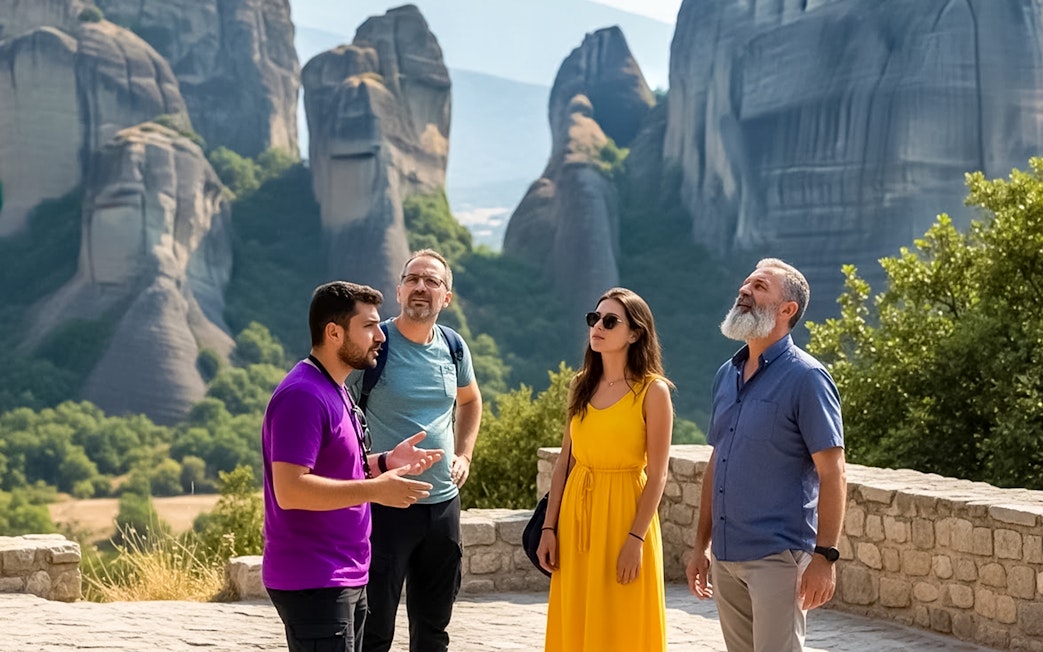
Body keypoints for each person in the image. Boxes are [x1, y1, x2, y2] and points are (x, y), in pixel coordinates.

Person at [262, 281, 445, 652]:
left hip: (346, 575)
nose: (380, 336)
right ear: (333, 332)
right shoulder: (303, 395)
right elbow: (291, 489)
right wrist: (376, 490)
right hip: (314, 580)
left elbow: (341, 470)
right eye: (368, 326)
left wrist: (384, 462)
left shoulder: (337, 388)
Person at [685, 258, 846, 652]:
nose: (744, 290)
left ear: (786, 309)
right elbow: (717, 463)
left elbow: (833, 472)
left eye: (759, 287)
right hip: (725, 557)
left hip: (778, 557)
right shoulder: (727, 375)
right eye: (746, 284)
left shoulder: (807, 378)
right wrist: (700, 546)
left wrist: (825, 558)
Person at [352, 249, 482, 652]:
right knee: (374, 629)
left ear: (447, 298)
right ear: (399, 290)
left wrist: (464, 455)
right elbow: (341, 415)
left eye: (432, 281)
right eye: (413, 279)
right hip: (385, 506)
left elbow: (471, 401)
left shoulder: (454, 346)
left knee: (433, 630)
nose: (421, 287)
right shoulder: (375, 346)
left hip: (442, 506)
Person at [537, 287, 674, 651]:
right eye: (594, 318)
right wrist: (549, 527)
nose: (597, 326)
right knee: (577, 621)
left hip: (624, 517)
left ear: (635, 333)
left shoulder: (653, 391)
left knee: (623, 622)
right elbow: (565, 463)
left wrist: (636, 539)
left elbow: (658, 473)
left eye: (609, 321)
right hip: (576, 520)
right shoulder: (580, 385)